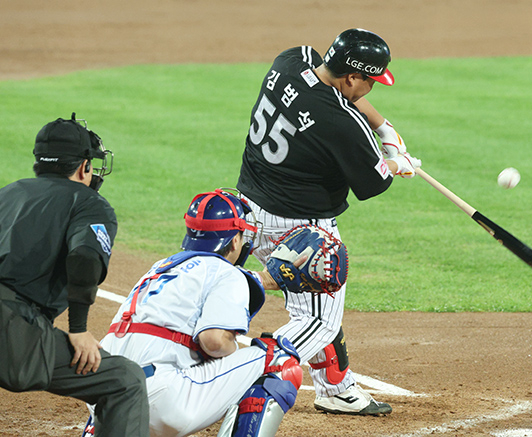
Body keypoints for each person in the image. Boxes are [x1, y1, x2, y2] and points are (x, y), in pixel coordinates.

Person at [236, 28, 422, 415]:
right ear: (353, 77)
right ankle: (239, 375)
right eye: (370, 82)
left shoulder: (292, 60)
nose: (371, 91)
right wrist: (398, 164)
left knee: (316, 307)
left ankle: (336, 388)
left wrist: (383, 125)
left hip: (248, 209)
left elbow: (336, 94)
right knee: (317, 320)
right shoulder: (340, 122)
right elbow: (374, 182)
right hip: (298, 228)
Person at [84, 189, 303, 437]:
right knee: (278, 359)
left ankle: (95, 432)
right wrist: (230, 354)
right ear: (234, 241)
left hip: (101, 396)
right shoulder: (227, 272)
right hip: (160, 402)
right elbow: (214, 341)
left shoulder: (161, 268)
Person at [0, 114, 150, 436]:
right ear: (84, 166)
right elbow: (83, 257)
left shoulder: (7, 194)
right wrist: (79, 330)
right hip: (12, 334)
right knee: (125, 380)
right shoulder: (89, 202)